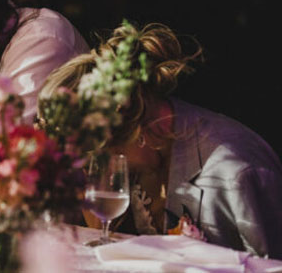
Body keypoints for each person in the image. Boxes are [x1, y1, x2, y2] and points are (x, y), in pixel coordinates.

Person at [40, 23, 282, 258]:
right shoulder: (136, 163)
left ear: (134, 132)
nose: (86, 171)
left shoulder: (236, 174)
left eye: (91, 157)